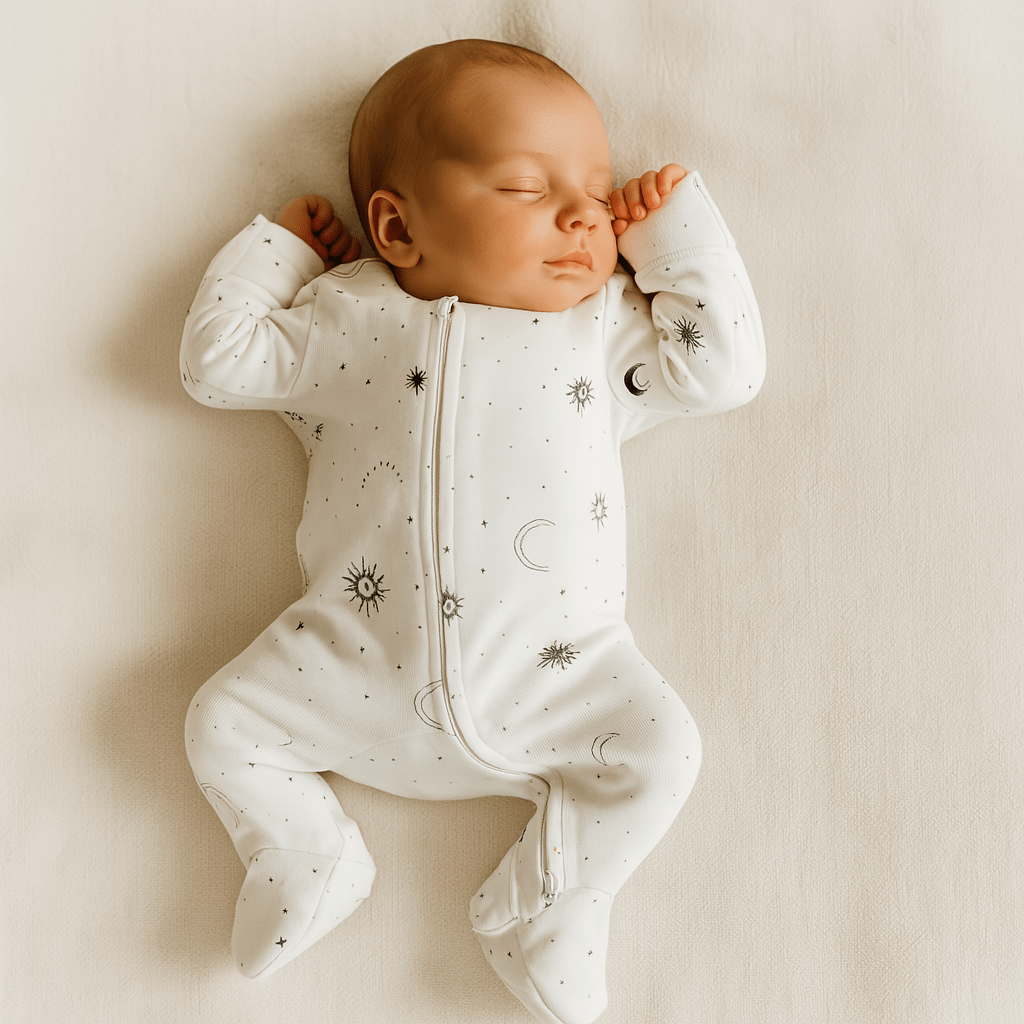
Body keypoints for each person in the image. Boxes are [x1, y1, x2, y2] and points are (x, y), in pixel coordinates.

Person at [181, 38, 765, 1024]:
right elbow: (217, 361)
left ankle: (548, 900)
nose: (586, 212)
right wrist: (280, 247)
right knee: (222, 724)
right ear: (397, 227)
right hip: (345, 662)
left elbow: (724, 372)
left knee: (663, 748)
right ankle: (306, 851)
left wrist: (672, 235)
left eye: (594, 187)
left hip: (562, 674)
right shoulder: (347, 318)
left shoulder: (604, 327)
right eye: (527, 187)